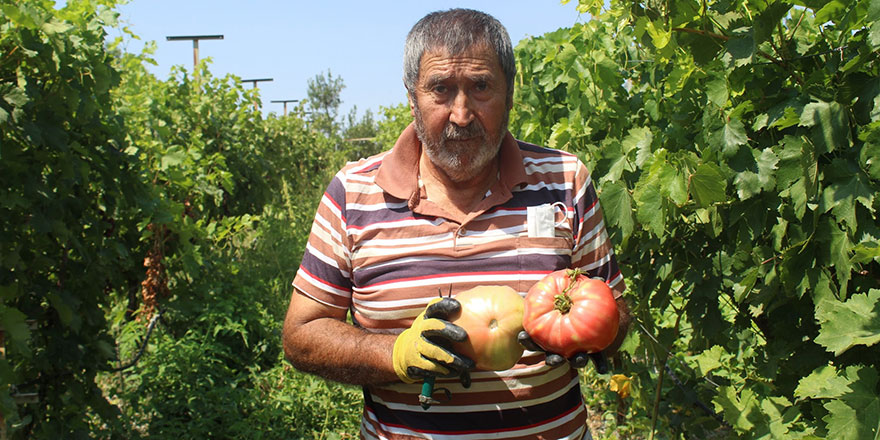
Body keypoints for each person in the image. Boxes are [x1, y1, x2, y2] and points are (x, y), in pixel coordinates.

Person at [283, 8, 631, 440]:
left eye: (481, 87)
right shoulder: (353, 194)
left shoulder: (563, 180)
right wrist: (395, 354)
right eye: (441, 90)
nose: (461, 114)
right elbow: (302, 334)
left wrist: (596, 334)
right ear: (412, 96)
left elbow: (614, 308)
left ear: (510, 92)